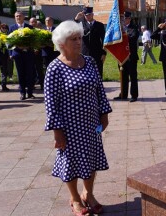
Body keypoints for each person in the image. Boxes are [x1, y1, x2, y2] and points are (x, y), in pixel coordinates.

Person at [44, 21, 111, 216]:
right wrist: (57, 132)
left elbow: (99, 90)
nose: (78, 42)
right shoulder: (55, 68)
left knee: (91, 160)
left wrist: (104, 114)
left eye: (79, 38)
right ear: (61, 43)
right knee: (71, 164)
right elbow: (50, 104)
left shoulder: (89, 62)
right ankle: (74, 199)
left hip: (91, 124)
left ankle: (88, 194)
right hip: (69, 127)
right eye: (73, 39)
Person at [9, 11, 36, 100]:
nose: (18, 17)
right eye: (16, 16)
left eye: (20, 16)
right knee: (21, 74)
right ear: (14, 17)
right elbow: (9, 42)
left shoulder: (30, 27)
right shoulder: (12, 28)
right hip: (18, 54)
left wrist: (28, 46)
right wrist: (11, 53)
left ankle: (30, 93)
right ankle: (22, 93)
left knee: (29, 74)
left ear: (23, 17)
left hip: (28, 54)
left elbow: (33, 40)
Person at [74, 7, 106, 80]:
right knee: (84, 74)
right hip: (84, 53)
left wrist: (104, 53)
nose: (87, 16)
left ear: (92, 14)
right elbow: (73, 29)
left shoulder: (99, 25)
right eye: (85, 15)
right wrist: (76, 19)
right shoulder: (81, 25)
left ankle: (98, 90)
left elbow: (104, 39)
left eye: (89, 14)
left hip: (97, 53)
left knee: (97, 74)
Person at [114, 11, 139, 102]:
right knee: (123, 76)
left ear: (129, 19)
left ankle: (134, 95)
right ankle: (123, 94)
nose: (123, 20)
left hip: (131, 56)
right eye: (122, 18)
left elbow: (133, 37)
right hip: (122, 56)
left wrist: (123, 35)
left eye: (125, 18)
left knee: (133, 76)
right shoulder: (119, 29)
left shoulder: (134, 28)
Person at [29, 17, 45, 90]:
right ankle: (32, 85)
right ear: (29, 23)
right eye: (32, 22)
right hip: (30, 53)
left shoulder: (40, 31)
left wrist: (38, 48)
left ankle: (42, 84)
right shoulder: (27, 31)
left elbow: (43, 42)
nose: (33, 23)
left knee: (39, 70)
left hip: (39, 53)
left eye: (34, 22)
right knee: (31, 70)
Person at [0, 23, 11, 92]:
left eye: (5, 28)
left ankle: (3, 85)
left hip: (5, 55)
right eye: (3, 28)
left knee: (4, 71)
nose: (4, 29)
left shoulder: (8, 35)